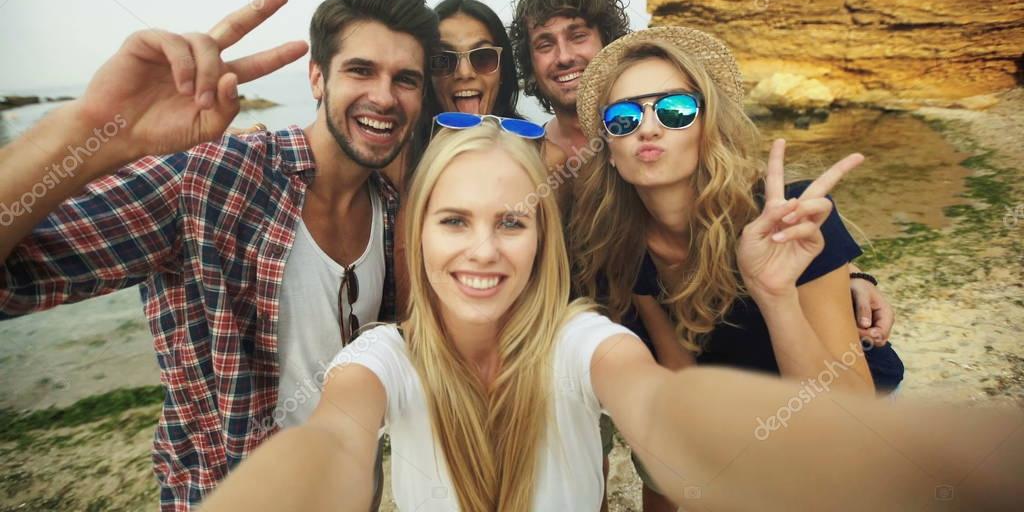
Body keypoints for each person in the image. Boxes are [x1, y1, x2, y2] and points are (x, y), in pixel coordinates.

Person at [199, 119, 1022, 512]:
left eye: (511, 221)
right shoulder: (380, 358)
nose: (483, 251)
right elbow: (331, 448)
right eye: (453, 220)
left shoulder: (580, 340)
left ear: (542, 238)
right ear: (415, 233)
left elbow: (665, 407)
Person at [0, 0, 437, 510]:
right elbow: (14, 279)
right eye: (361, 70)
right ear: (317, 77)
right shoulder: (215, 177)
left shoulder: (394, 211)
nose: (384, 97)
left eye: (405, 79)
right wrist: (89, 128)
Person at [512, 0, 902, 510]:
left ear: (707, 123)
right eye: (623, 118)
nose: (649, 127)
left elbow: (845, 418)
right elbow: (685, 388)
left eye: (675, 110)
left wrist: (781, 293)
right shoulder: (620, 237)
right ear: (609, 147)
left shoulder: (784, 220)